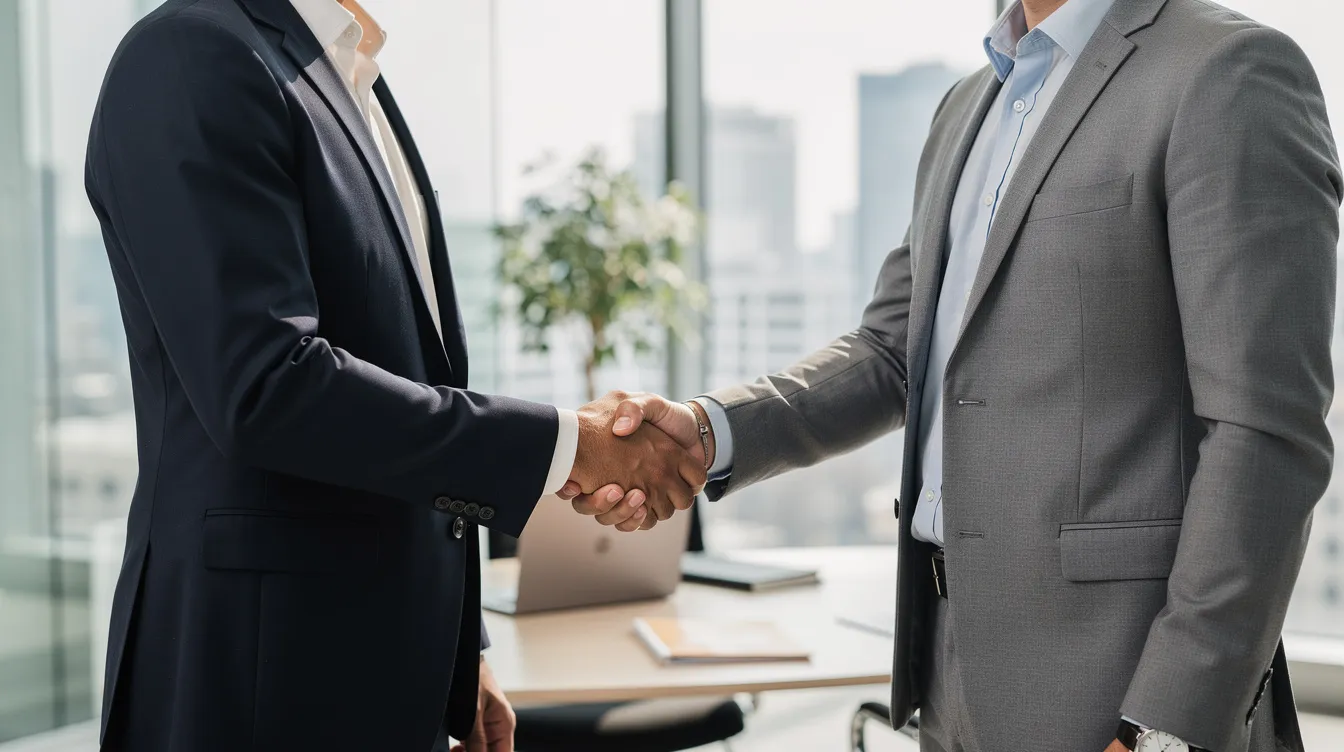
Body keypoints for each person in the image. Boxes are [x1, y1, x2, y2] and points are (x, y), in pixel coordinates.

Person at [565, 0, 1341, 750]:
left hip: (1119, 679)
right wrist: (707, 430)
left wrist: (1166, 733)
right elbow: (894, 350)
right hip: (947, 667)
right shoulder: (969, 103)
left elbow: (1265, 437)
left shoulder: (1227, 71)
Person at [84, 1, 702, 750]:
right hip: (258, 681)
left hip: (379, 669)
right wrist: (571, 446)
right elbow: (265, 385)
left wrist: (458, 652)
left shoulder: (351, 73)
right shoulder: (191, 53)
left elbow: (405, 368)